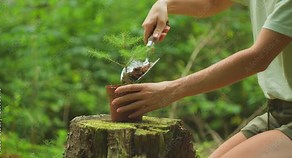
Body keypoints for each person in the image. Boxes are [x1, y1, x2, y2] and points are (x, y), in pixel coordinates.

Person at [112, 0, 292, 157]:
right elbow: (213, 3)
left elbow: (257, 58)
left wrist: (171, 90)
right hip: (277, 111)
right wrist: (165, 4)